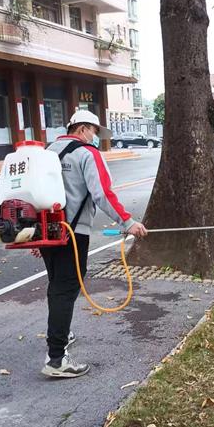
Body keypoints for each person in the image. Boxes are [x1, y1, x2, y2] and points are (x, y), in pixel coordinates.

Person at [38, 108, 147, 378]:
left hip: (48, 232)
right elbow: (103, 194)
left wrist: (37, 235)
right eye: (95, 131)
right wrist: (127, 222)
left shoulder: (47, 152)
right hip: (74, 234)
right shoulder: (87, 153)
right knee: (66, 289)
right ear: (83, 128)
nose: (95, 137)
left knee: (58, 286)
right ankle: (56, 360)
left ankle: (62, 333)